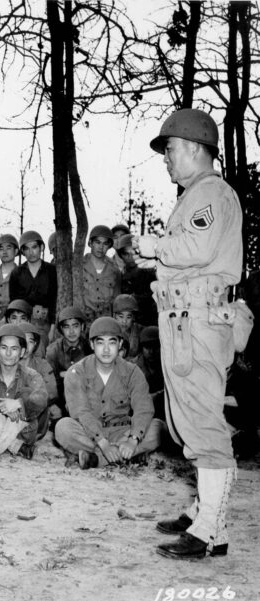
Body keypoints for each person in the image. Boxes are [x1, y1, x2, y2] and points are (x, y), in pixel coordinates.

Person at [136, 108, 243, 559]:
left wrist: (152, 247)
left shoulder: (211, 192)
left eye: (172, 148)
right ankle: (204, 508)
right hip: (185, 318)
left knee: (202, 421)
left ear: (197, 149)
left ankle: (210, 530)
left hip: (199, 320)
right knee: (186, 422)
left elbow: (195, 248)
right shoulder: (194, 195)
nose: (166, 158)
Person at [54, 316, 163, 470]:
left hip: (123, 431)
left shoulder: (132, 371)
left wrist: (133, 440)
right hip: (90, 432)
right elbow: (81, 412)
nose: (106, 349)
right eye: (100, 342)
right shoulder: (76, 372)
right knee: (62, 427)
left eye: (112, 342)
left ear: (120, 344)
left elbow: (143, 407)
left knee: (158, 427)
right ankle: (129, 456)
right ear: (91, 344)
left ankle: (96, 459)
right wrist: (104, 444)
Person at [0, 324, 48, 460]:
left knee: (30, 394)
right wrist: (2, 406)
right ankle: (17, 446)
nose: (9, 354)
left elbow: (41, 398)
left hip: (22, 434)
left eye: (14, 349)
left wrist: (18, 403)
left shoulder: (32, 375)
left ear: (22, 352)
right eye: (4, 348)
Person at [9, 230, 57, 344]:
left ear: (41, 247)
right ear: (23, 251)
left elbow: (55, 300)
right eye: (27, 248)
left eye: (34, 247)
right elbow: (13, 303)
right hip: (22, 323)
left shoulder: (52, 271)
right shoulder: (17, 273)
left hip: (45, 324)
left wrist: (53, 328)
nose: (31, 252)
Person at [45, 306, 91, 422]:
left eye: (75, 326)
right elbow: (49, 381)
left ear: (82, 327)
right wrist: (52, 404)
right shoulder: (53, 351)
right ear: (61, 329)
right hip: (61, 399)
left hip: (86, 398)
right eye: (67, 327)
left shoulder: (90, 348)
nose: (71, 332)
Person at [82, 225, 121, 327]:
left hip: (106, 323)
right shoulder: (80, 266)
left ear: (109, 246)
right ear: (90, 243)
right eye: (97, 242)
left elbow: (117, 301)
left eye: (105, 244)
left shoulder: (115, 270)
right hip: (84, 323)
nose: (101, 247)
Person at [115, 234, 158, 326]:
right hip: (126, 323)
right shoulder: (120, 274)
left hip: (147, 321)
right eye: (126, 254)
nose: (130, 257)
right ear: (121, 255)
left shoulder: (148, 272)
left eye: (134, 252)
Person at [112, 294, 142, 359]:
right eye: (121, 317)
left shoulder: (139, 331)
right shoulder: (108, 332)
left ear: (133, 317)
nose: (124, 321)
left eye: (128, 317)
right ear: (114, 316)